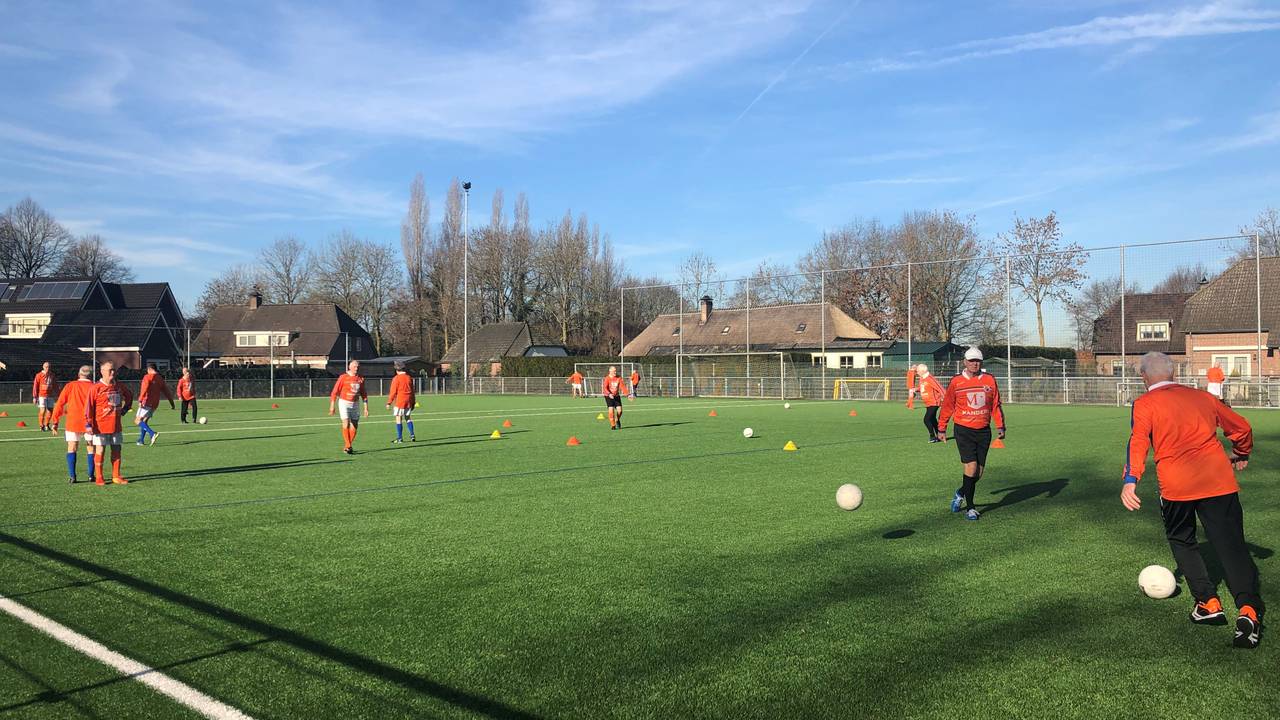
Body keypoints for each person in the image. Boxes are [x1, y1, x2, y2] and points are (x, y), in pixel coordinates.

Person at [1121, 351, 1263, 649]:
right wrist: (1242, 451)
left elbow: (1137, 441)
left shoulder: (1144, 403)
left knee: (1182, 539)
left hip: (1177, 486)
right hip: (1217, 480)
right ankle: (1248, 611)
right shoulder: (1202, 397)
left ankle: (1208, 603)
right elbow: (1242, 427)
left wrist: (1131, 480)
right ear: (1173, 373)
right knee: (1232, 547)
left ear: (1144, 377)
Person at [936, 346, 1005, 521]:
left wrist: (1000, 426)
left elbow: (995, 404)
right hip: (963, 430)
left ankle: (960, 492)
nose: (975, 363)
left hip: (983, 431)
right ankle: (971, 508)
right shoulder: (956, 382)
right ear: (965, 362)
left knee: (978, 474)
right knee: (971, 467)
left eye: (978, 360)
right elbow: (948, 406)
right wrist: (942, 428)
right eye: (972, 360)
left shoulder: (989, 380)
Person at [85, 361, 132, 485]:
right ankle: (99, 477)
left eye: (113, 370)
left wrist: (126, 408)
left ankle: (116, 476)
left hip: (116, 425)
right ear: (102, 372)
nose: (112, 372)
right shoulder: (95, 388)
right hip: (100, 426)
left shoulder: (119, 386)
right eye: (109, 370)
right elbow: (88, 407)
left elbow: (129, 396)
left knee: (117, 449)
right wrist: (88, 424)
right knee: (100, 450)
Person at [50, 365, 97, 484]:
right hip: (90, 423)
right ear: (91, 375)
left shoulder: (70, 385)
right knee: (91, 447)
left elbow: (60, 403)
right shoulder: (95, 387)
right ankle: (91, 476)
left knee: (72, 447)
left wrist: (55, 421)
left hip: (73, 421)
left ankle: (72, 477)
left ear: (78, 374)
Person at [329, 360, 369, 454]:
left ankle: (347, 445)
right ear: (349, 367)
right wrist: (332, 406)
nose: (357, 368)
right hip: (344, 402)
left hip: (355, 404)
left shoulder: (361, 378)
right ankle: (348, 445)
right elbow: (334, 392)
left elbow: (364, 394)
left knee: (354, 425)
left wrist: (366, 408)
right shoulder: (343, 377)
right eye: (355, 366)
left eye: (358, 366)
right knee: (346, 423)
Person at [135, 363, 176, 446]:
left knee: (137, 421)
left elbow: (144, 388)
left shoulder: (147, 377)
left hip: (146, 401)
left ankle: (152, 433)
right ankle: (141, 440)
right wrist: (171, 402)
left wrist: (140, 400)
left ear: (149, 369)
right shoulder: (160, 378)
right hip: (155, 403)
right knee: (144, 421)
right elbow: (166, 391)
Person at [386, 361, 416, 443]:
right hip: (409, 401)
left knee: (398, 418)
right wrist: (413, 402)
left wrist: (389, 402)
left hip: (400, 401)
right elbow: (412, 391)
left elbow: (393, 392)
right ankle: (412, 435)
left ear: (396, 370)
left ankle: (399, 438)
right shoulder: (409, 377)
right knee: (408, 418)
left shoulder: (396, 378)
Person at [917, 363, 945, 443]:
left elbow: (940, 388)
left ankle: (932, 436)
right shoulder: (922, 378)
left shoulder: (930, 378)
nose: (917, 372)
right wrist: (915, 389)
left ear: (923, 371)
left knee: (926, 419)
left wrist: (947, 399)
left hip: (934, 402)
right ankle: (939, 435)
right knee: (932, 419)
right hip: (928, 403)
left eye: (918, 371)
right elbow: (922, 388)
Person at [33, 361, 57, 432]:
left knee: (50, 411)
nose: (48, 368)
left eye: (49, 367)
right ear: (43, 367)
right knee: (42, 411)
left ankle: (46, 425)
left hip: (50, 395)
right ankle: (41, 425)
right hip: (41, 396)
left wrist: (59, 394)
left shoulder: (52, 375)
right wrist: (35, 397)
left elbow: (55, 385)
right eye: (46, 367)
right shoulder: (39, 375)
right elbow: (35, 386)